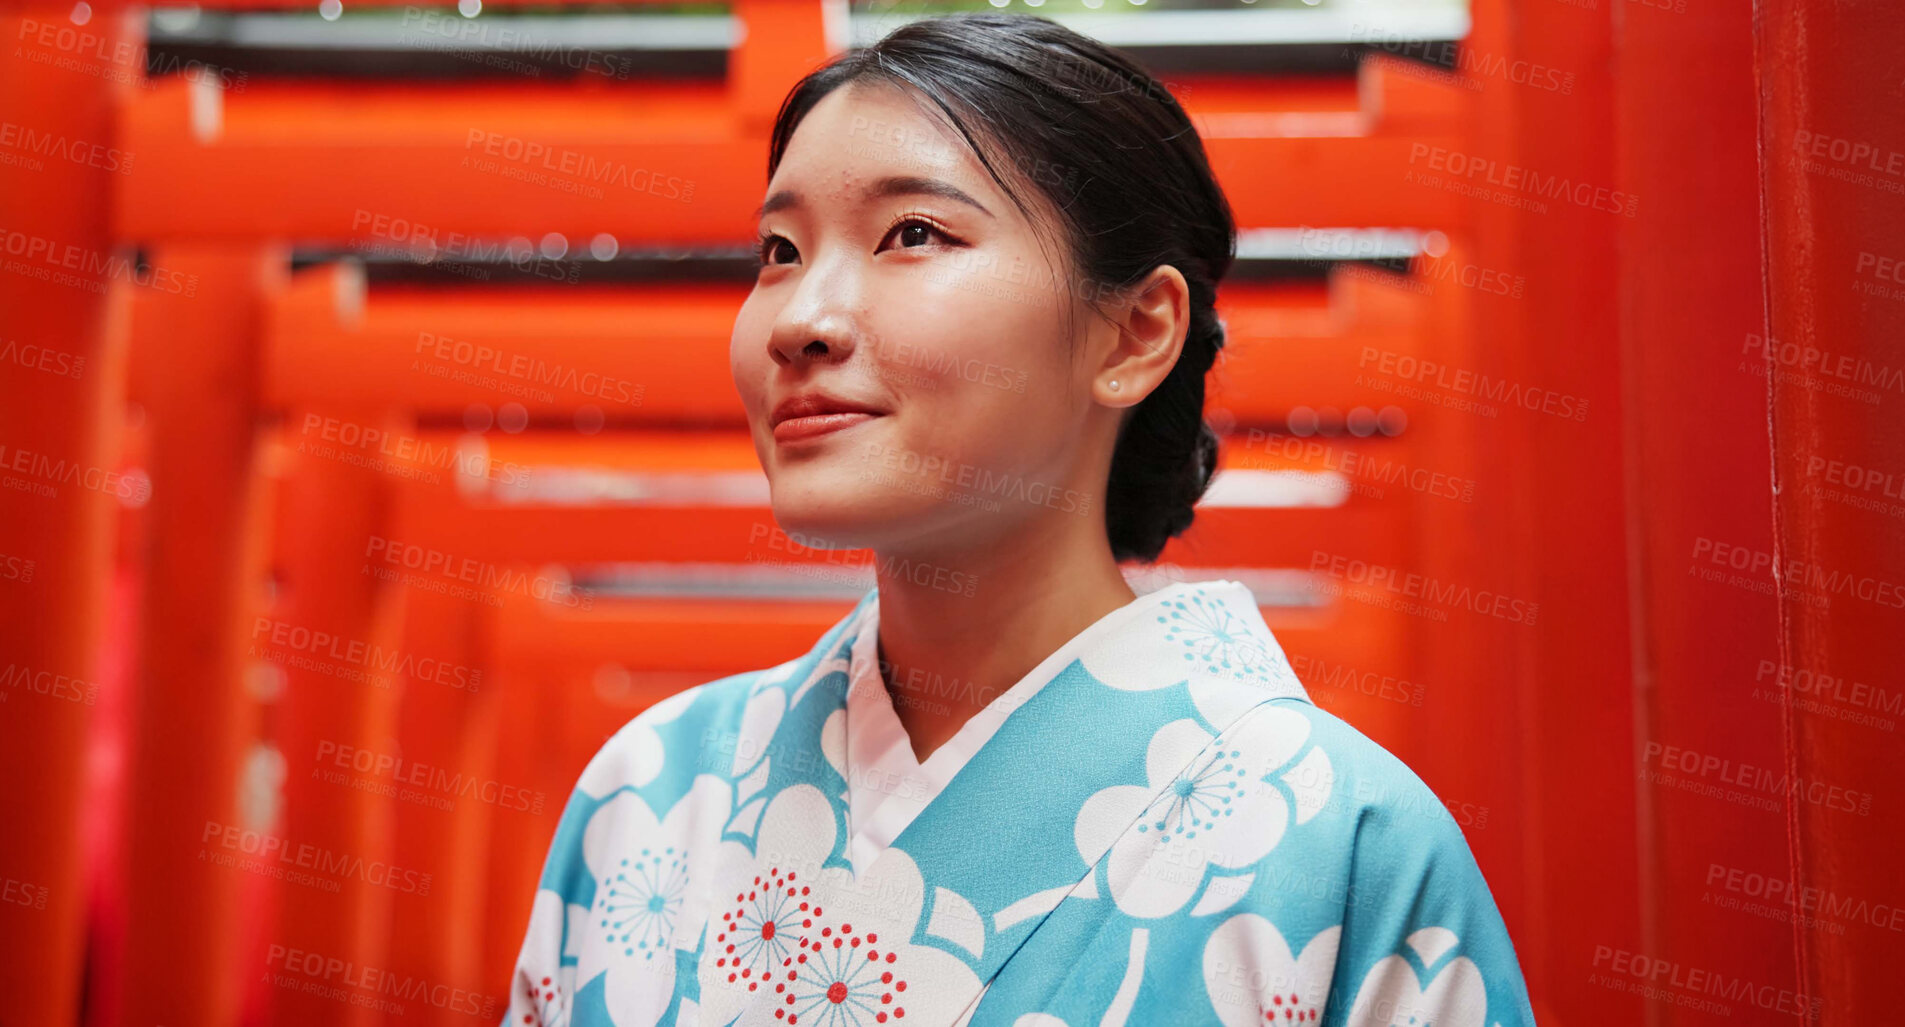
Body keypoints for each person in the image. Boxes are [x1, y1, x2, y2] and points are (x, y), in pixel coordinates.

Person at [505, 12, 1534, 1026]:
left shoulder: (1341, 843)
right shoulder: (648, 797)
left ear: (1135, 333)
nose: (800, 319)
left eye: (913, 233)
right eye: (779, 249)